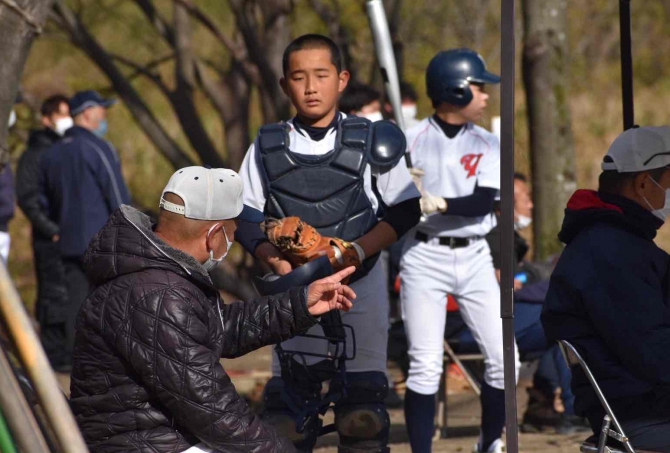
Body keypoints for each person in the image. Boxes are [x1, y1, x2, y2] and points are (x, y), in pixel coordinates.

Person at [69, 166, 357, 452]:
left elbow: (218, 327)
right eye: (232, 232)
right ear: (214, 234)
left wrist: (300, 304)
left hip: (156, 435)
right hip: (145, 443)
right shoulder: (158, 294)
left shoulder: (156, 274)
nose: (232, 241)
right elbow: (213, 410)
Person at [236, 34, 421, 452]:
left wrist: (356, 251)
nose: (310, 87)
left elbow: (406, 209)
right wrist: (275, 261)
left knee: (363, 416)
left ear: (342, 80)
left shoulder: (373, 138)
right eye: (298, 77)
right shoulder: (267, 144)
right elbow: (244, 215)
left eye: (321, 75)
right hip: (297, 290)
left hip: (361, 284)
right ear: (284, 85)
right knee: (288, 419)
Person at [400, 48, 519, 453]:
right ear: (455, 90)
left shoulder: (488, 142)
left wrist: (440, 202)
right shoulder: (411, 138)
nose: (485, 96)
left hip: (473, 255)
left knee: (507, 360)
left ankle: (489, 442)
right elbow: (386, 200)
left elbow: (484, 203)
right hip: (424, 255)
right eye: (478, 87)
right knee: (425, 366)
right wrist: (403, 190)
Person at [542, 126, 670, 451]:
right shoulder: (611, 252)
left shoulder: (619, 242)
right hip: (642, 414)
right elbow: (653, 352)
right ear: (644, 183)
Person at [480, 173, 587, 434]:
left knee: (556, 327)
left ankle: (544, 406)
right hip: (485, 323)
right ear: (504, 205)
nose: (531, 204)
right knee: (563, 318)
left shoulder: (505, 236)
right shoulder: (494, 236)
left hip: (502, 317)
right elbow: (502, 285)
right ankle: (572, 411)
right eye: (525, 198)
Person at [39, 90, 130, 368]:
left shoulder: (52, 153)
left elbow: (45, 200)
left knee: (76, 303)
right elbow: (118, 197)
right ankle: (109, 363)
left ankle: (78, 361)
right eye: (101, 110)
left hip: (68, 242)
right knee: (110, 303)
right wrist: (130, 232)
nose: (104, 116)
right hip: (103, 241)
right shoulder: (98, 148)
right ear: (88, 113)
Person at [16, 94, 72, 370]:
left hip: (71, 238)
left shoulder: (66, 149)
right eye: (60, 114)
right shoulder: (35, 154)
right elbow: (28, 198)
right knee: (53, 297)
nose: (66, 120)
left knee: (71, 296)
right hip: (51, 240)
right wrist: (52, 231)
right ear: (46, 119)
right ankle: (53, 360)